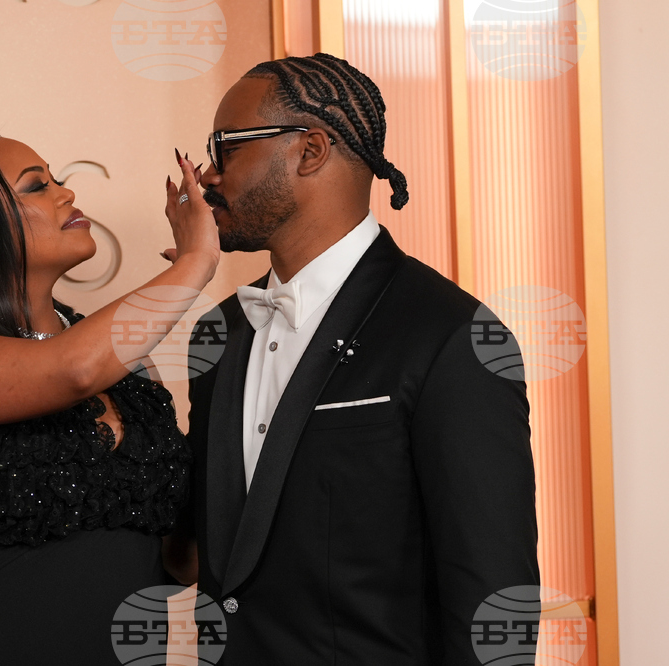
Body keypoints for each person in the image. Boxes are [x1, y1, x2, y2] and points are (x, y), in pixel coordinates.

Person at [183, 53, 540, 664]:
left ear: (311, 150)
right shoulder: (219, 334)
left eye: (227, 146)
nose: (205, 175)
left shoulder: (452, 335)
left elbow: (493, 595)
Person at [0, 135, 217, 664]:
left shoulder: (131, 369)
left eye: (56, 178)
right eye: (37, 185)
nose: (66, 192)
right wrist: (196, 260)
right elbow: (74, 369)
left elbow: (178, 557)